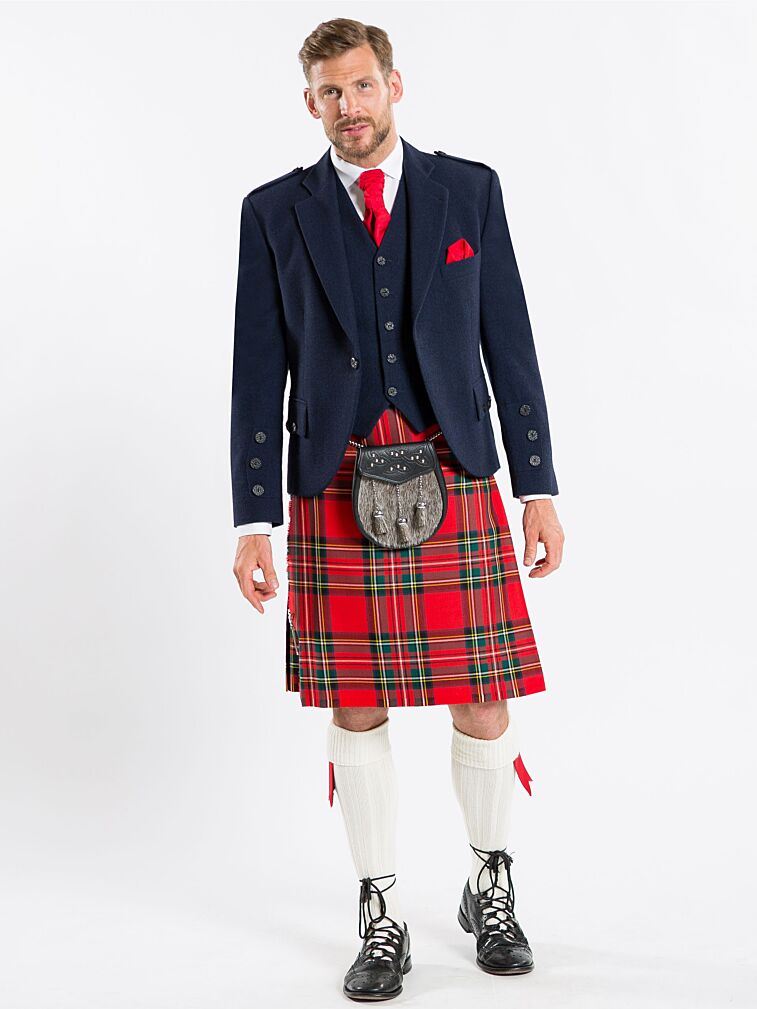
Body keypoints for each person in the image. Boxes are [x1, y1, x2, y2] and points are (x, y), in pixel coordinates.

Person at [230, 17, 565, 1001]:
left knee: (484, 693)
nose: (349, 106)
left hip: (455, 469)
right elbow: (256, 373)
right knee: (357, 699)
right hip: (333, 477)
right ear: (310, 102)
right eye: (330, 92)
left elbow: (511, 342)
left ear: (394, 85)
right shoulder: (273, 212)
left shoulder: (469, 190)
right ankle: (379, 911)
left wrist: (537, 489)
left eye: (362, 85)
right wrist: (251, 519)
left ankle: (489, 886)